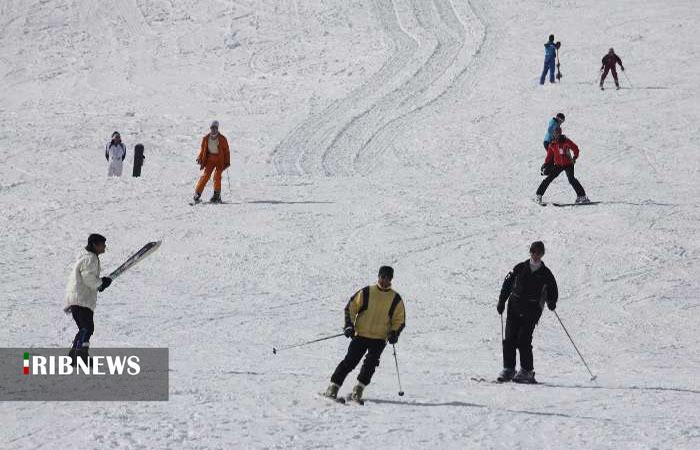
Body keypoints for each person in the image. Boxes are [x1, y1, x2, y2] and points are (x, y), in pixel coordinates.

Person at [323, 266, 406, 403]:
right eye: (383, 277)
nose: (385, 280)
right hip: (361, 334)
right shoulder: (367, 292)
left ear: (391, 279)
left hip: (379, 338)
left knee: (370, 365)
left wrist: (394, 333)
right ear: (379, 276)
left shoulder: (395, 298)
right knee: (350, 362)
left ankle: (358, 390)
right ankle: (333, 387)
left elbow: (399, 319)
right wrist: (349, 325)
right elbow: (351, 307)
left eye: (388, 278)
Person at [497, 241, 558, 383]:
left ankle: (527, 371)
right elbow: (507, 284)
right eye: (534, 252)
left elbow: (552, 289)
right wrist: (502, 301)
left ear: (543, 254)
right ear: (530, 252)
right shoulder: (519, 268)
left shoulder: (545, 273)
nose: (536, 255)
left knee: (524, 339)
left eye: (539, 253)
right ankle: (509, 369)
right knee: (510, 339)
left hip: (532, 310)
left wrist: (552, 302)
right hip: (514, 306)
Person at [63, 234, 113, 365]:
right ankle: (80, 356)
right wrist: (100, 283)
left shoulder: (86, 257)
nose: (105, 247)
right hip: (82, 299)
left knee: (84, 328)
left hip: (78, 298)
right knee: (87, 327)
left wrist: (100, 283)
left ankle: (74, 355)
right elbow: (88, 277)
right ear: (95, 245)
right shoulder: (90, 258)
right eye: (103, 244)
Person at [536, 127, 589, 204]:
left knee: (571, 179)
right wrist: (545, 164)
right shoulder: (552, 144)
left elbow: (575, 148)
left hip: (568, 164)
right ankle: (539, 195)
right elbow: (549, 156)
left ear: (560, 133)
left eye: (558, 133)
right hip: (558, 165)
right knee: (548, 179)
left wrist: (574, 157)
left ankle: (582, 196)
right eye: (555, 133)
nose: (556, 135)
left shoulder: (566, 141)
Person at [193, 120, 231, 203]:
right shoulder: (206, 138)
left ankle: (216, 195)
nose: (214, 130)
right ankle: (197, 194)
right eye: (212, 128)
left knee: (217, 176)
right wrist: (200, 158)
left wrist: (227, 162)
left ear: (217, 128)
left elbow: (226, 151)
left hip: (219, 160)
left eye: (215, 128)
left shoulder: (222, 139)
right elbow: (203, 150)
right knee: (205, 175)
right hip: (210, 159)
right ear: (210, 128)